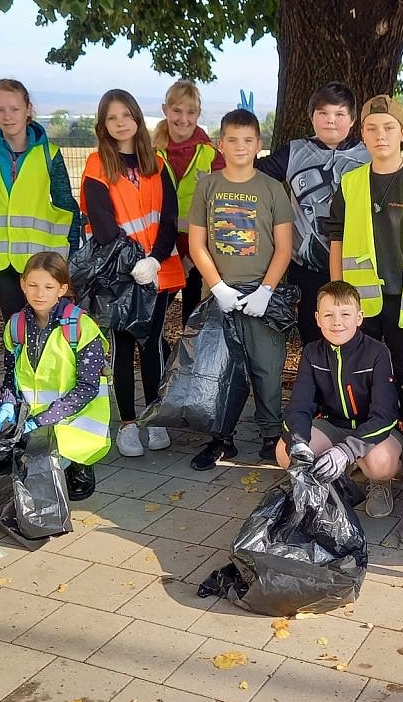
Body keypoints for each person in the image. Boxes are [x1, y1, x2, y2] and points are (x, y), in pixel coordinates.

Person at [328, 95, 403, 462]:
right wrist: (337, 296)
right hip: (361, 305)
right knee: (360, 379)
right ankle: (364, 454)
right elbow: (336, 239)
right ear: (362, 135)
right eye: (371, 128)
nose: (379, 135)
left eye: (388, 127)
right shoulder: (350, 183)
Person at [187, 108, 294, 470]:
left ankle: (271, 435)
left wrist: (266, 290)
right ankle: (221, 437)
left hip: (263, 297)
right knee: (220, 367)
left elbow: (284, 247)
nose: (240, 146)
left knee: (267, 367)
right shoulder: (208, 186)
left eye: (248, 140)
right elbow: (197, 244)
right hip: (221, 296)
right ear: (221, 144)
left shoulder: (272, 188)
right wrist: (217, 286)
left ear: (259, 144)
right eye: (232, 140)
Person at [81, 89, 185, 456]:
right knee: (123, 348)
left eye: (126, 115)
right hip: (119, 276)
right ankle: (127, 424)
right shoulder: (97, 165)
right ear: (103, 125)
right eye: (112, 117)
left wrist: (153, 260)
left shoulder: (156, 163)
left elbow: (169, 219)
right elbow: (103, 225)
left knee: (153, 344)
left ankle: (154, 417)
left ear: (138, 119)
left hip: (158, 272)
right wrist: (132, 264)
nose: (120, 123)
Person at [255, 82, 370, 345]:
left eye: (339, 114)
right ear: (311, 117)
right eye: (323, 113)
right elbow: (250, 174)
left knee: (353, 337)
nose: (331, 120)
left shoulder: (368, 155)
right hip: (307, 267)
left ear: (353, 119)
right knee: (312, 335)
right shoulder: (294, 152)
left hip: (356, 265)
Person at [278, 281, 403, 518]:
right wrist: (299, 442)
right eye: (329, 315)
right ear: (317, 319)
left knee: (380, 464)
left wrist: (346, 451)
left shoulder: (377, 352)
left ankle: (378, 483)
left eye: (345, 314)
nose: (337, 322)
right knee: (285, 453)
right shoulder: (312, 352)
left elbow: (385, 415)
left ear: (359, 317)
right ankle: (328, 482)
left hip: (374, 430)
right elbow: (299, 406)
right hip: (333, 424)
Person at [0, 252, 110, 502]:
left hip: (77, 418)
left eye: (49, 287)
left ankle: (80, 463)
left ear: (62, 289)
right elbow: (11, 375)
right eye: (33, 285)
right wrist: (7, 402)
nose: (40, 293)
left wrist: (41, 420)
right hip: (33, 417)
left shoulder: (81, 327)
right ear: (22, 284)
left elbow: (87, 388)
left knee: (48, 461)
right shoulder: (15, 326)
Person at [0, 78, 81, 320]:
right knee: (14, 325)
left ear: (28, 109)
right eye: (0, 109)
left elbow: (67, 207)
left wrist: (70, 258)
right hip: (0, 263)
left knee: (46, 326)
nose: (8, 116)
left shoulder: (49, 154)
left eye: (15, 109)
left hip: (42, 260)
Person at [153, 79, 225, 324]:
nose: (183, 119)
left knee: (193, 317)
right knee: (154, 314)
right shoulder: (151, 153)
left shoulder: (211, 155)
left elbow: (221, 207)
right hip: (160, 246)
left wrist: (193, 256)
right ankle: (158, 348)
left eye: (191, 112)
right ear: (165, 110)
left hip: (198, 249)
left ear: (198, 114)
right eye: (177, 110)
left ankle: (189, 350)